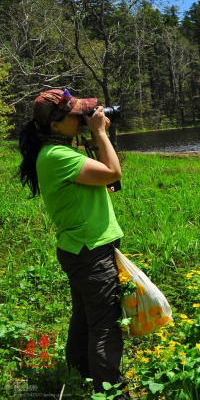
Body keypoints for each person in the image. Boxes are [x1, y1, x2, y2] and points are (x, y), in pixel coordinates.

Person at [17, 89, 129, 398]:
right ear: (54, 125)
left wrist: (94, 134)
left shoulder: (59, 152)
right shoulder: (58, 156)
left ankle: (78, 374)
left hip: (81, 249)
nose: (82, 117)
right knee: (105, 327)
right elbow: (113, 173)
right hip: (90, 252)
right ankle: (110, 392)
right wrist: (100, 132)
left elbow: (101, 182)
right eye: (75, 115)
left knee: (84, 320)